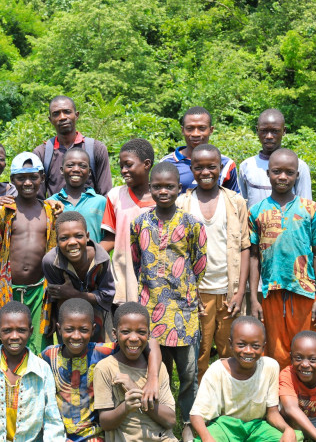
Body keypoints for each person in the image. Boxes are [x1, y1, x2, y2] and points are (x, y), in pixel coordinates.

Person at [131, 161, 207, 441]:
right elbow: (137, 260)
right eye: (158, 186)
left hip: (183, 310)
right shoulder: (139, 222)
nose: (163, 191)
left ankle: (187, 422)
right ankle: (161, 421)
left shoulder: (192, 224)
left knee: (188, 373)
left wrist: (188, 292)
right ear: (150, 188)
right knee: (157, 371)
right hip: (151, 309)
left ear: (179, 189)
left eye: (169, 186)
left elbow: (199, 263)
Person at [177, 144, 251, 383]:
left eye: (212, 167)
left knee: (230, 349)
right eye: (199, 167)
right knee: (200, 352)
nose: (206, 172)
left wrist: (240, 293)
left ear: (221, 168)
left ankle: (229, 398)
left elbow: (245, 247)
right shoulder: (182, 204)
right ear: (192, 169)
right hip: (198, 294)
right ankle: (200, 404)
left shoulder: (235, 202)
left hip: (229, 292)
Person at [248, 148, 316, 370]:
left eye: (289, 172)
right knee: (275, 349)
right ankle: (280, 397)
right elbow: (254, 256)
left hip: (304, 290)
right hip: (271, 292)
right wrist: (254, 299)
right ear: (268, 174)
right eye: (277, 171)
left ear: (297, 175)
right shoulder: (256, 211)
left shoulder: (311, 210)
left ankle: (311, 398)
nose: (282, 177)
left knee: (308, 346)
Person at [41, 298, 162, 442]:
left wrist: (153, 378)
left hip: (96, 436)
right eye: (69, 329)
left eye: (84, 330)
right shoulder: (48, 356)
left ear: (93, 329)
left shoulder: (102, 352)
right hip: (59, 436)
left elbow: (151, 343)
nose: (76, 336)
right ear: (59, 329)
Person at [0, 152, 59, 354]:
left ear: (42, 178)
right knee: (9, 345)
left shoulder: (50, 212)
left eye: (33, 177)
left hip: (39, 292)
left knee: (39, 346)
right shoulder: (3, 212)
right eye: (21, 178)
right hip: (7, 290)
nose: (28, 182)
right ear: (12, 180)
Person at [189, 316, 297, 442]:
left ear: (263, 347)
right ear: (230, 344)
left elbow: (272, 412)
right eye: (241, 345)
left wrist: (287, 429)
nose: (248, 351)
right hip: (225, 427)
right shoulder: (217, 370)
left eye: (255, 346)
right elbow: (196, 414)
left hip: (258, 427)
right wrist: (207, 438)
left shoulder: (270, 366)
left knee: (289, 438)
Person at [0, 301, 66, 442]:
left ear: (31, 331)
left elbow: (52, 418)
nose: (14, 336)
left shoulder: (42, 369)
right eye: (7, 330)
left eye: (21, 330)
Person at [95, 302, 178, 442]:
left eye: (141, 332)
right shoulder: (105, 368)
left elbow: (170, 420)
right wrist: (125, 408)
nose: (133, 338)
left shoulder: (158, 368)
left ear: (148, 334)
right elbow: (105, 423)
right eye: (126, 332)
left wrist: (137, 392)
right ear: (115, 333)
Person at [99, 138, 156, 305]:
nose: (123, 170)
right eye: (121, 166)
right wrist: (89, 254)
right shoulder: (116, 196)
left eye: (128, 165)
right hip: (122, 282)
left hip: (154, 284)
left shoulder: (162, 199)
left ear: (146, 164)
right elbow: (110, 238)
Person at [43, 212, 115, 341]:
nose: (72, 242)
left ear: (87, 237)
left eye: (78, 236)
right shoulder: (51, 261)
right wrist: (53, 317)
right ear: (57, 241)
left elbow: (107, 295)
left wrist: (74, 294)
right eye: (64, 238)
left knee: (100, 352)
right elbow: (56, 296)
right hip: (67, 314)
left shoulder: (100, 258)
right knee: (71, 351)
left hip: (98, 314)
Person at [33, 96, 113, 198]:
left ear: (76, 115)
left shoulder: (96, 149)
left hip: (89, 213)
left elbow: (106, 193)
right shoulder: (42, 153)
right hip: (55, 213)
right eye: (56, 114)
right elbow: (38, 198)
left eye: (67, 111)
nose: (62, 117)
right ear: (50, 119)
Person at [238, 109, 312, 208]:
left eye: (275, 131)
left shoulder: (299, 166)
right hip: (254, 223)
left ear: (284, 131)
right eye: (264, 131)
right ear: (257, 131)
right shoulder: (247, 166)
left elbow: (306, 205)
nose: (269, 136)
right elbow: (241, 205)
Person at [161, 106, 240, 193]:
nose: (195, 134)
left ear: (211, 130)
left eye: (202, 128)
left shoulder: (227, 164)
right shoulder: (166, 163)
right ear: (183, 130)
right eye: (190, 128)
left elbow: (233, 202)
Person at [48, 147, 107, 244]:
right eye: (70, 165)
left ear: (89, 172)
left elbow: (110, 236)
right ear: (62, 170)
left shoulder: (100, 202)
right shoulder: (52, 203)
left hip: (93, 258)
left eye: (83, 166)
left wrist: (95, 255)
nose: (76, 169)